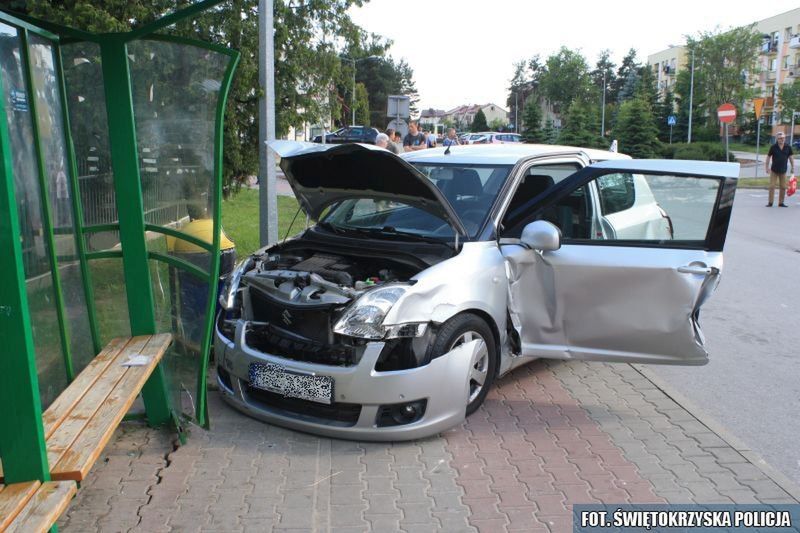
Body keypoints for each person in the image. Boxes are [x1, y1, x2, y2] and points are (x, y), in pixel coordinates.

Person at [765, 131, 795, 207]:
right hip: (774, 170)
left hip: (783, 171)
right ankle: (770, 202)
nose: (782, 139)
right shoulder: (773, 147)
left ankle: (781, 203)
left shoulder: (788, 147)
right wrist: (766, 167)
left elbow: (791, 158)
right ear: (777, 139)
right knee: (772, 186)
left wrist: (792, 167)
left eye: (783, 138)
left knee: (783, 187)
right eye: (780, 138)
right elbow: (768, 157)